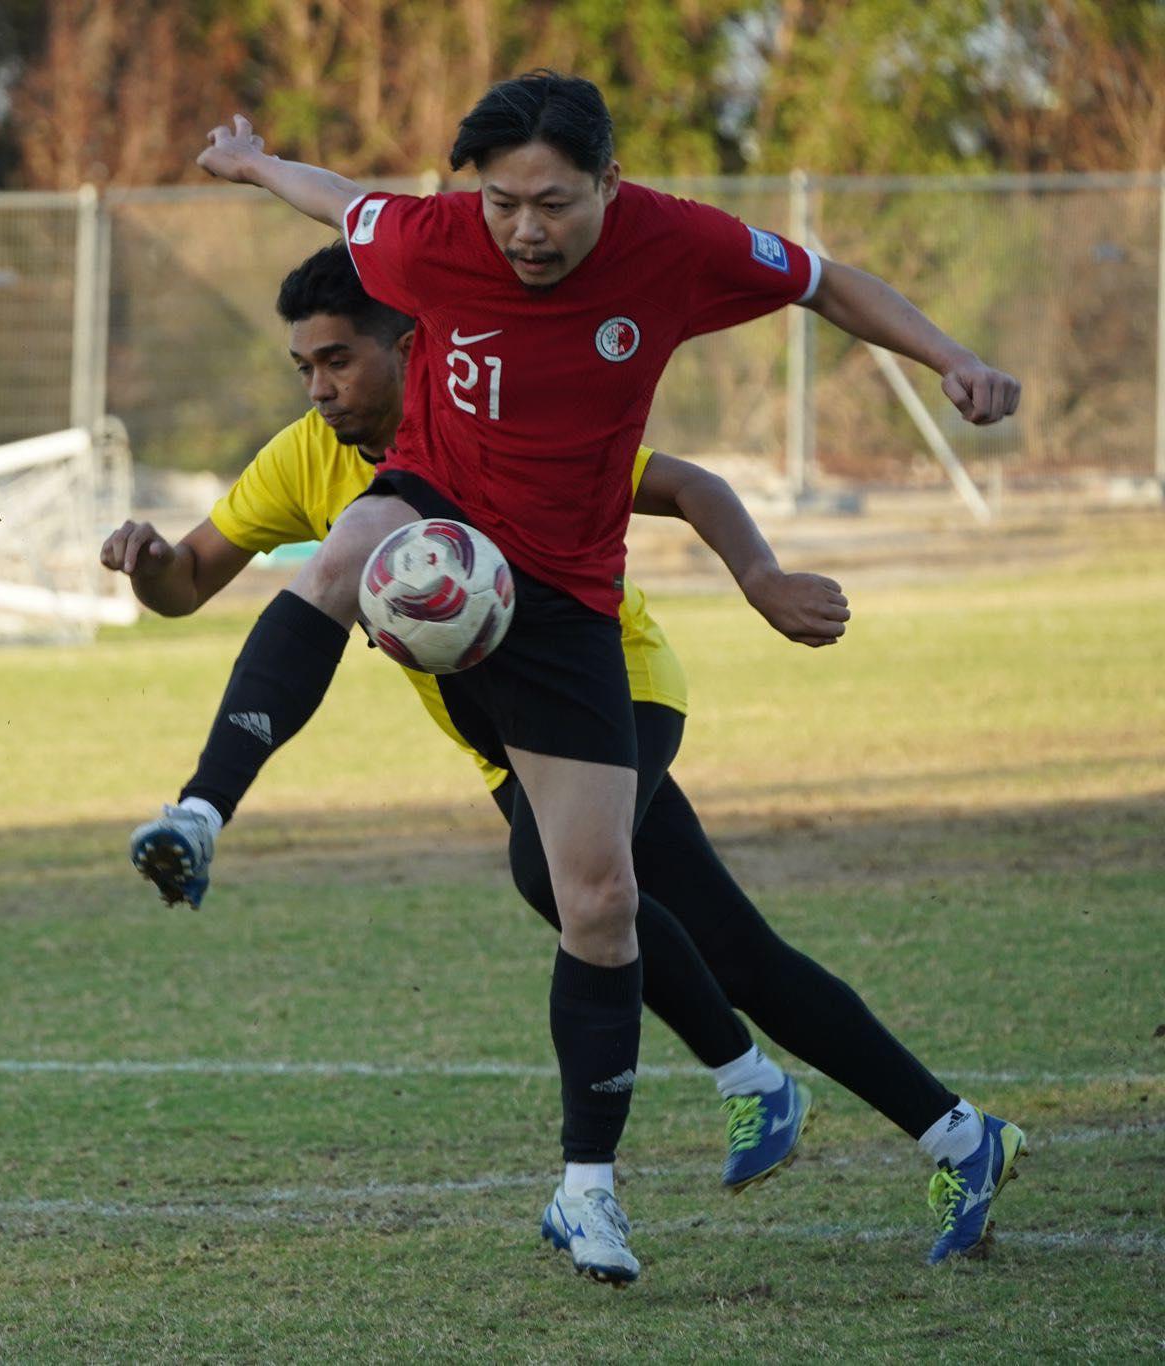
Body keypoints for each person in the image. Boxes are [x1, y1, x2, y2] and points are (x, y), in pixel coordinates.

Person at [143, 71, 1023, 1281]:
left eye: (551, 203)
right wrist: (249, 164)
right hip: (440, 517)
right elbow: (334, 196)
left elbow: (825, 282)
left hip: (565, 608)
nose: (523, 231)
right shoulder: (427, 245)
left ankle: (849, 1127)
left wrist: (950, 357)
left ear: (607, 183)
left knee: (601, 901)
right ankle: (200, 810)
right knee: (355, 544)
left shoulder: (676, 245)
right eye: (500, 203)